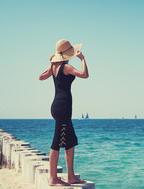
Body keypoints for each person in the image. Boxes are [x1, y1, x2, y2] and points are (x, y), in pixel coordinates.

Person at [39, 39, 89, 186]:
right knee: (56, 143)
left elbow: (41, 77)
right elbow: (84, 74)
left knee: (71, 141)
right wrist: (83, 59)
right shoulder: (66, 68)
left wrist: (50, 63)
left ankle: (71, 176)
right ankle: (53, 179)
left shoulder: (54, 67)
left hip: (58, 106)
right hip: (63, 108)